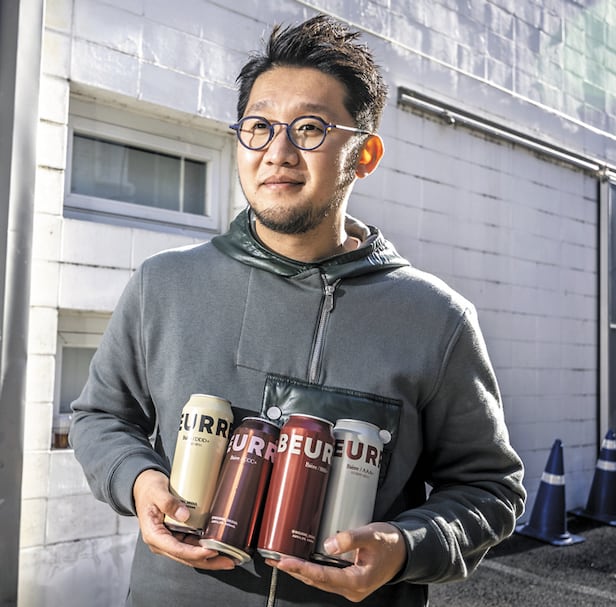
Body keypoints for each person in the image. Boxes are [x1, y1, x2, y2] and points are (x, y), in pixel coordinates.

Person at [70, 14, 526, 607]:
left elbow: (490, 488)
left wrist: (405, 545)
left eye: (309, 128)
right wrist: (138, 480)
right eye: (258, 127)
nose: (277, 152)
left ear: (364, 154)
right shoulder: (164, 284)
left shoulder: (437, 319)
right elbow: (100, 418)